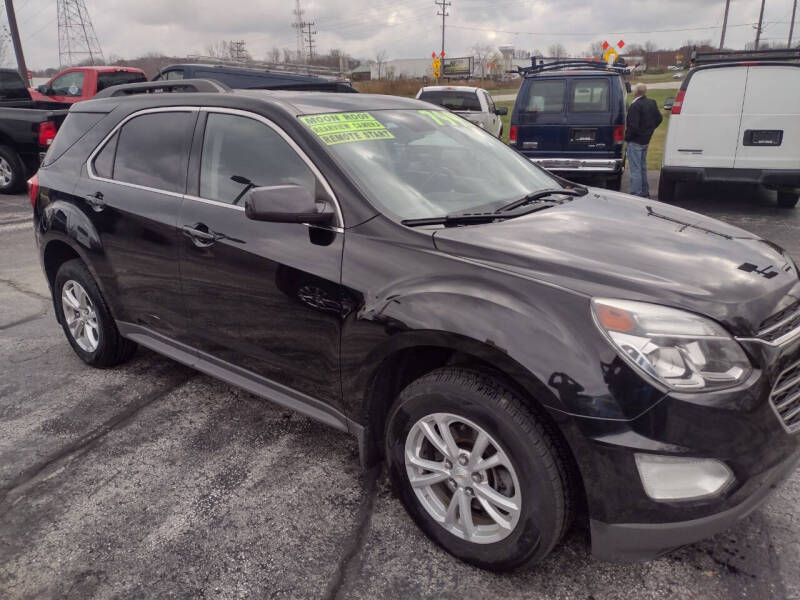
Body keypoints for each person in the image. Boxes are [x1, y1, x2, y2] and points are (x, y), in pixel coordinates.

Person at [625, 83, 663, 198]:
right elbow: (659, 118)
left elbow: (633, 126)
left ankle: (636, 194)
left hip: (635, 141)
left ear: (636, 92)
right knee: (641, 167)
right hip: (645, 140)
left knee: (635, 169)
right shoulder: (651, 102)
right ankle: (644, 191)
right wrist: (649, 130)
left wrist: (626, 137)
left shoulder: (635, 106)